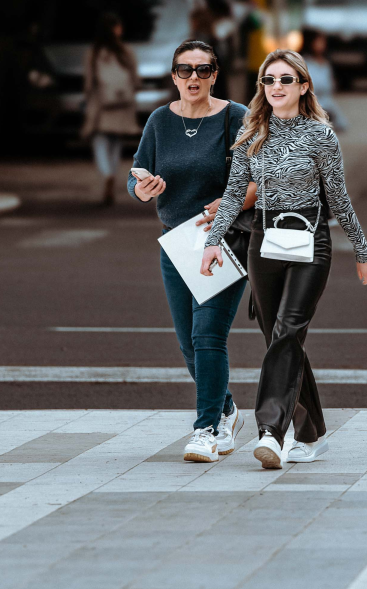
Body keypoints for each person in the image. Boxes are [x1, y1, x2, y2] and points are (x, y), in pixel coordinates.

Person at [201, 49, 367, 470]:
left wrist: (362, 250)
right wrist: (212, 241)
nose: (276, 87)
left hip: (310, 239)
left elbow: (338, 197)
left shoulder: (320, 135)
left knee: (287, 330)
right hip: (264, 239)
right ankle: (312, 435)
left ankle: (272, 433)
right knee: (280, 338)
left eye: (285, 79)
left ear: (303, 85)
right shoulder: (251, 132)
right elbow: (232, 194)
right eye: (269, 80)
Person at [128, 40, 259, 463]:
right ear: (173, 76)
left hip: (222, 239)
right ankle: (225, 409)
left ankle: (205, 428)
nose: (194, 79)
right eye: (185, 71)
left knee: (207, 335)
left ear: (215, 75)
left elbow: (261, 180)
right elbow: (136, 176)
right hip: (176, 243)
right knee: (189, 344)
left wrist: (232, 201)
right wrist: (143, 189)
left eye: (203, 71)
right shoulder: (159, 122)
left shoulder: (235, 117)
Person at [82, 12, 141, 206]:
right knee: (116, 140)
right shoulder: (125, 51)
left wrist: (87, 97)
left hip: (101, 102)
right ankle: (113, 175)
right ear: (115, 29)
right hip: (122, 102)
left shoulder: (94, 52)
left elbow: (89, 81)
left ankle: (106, 174)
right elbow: (135, 78)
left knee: (99, 139)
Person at [301, 30, 348, 133]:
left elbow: (330, 88)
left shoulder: (325, 64)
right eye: (319, 41)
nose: (322, 44)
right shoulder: (304, 64)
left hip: (326, 105)